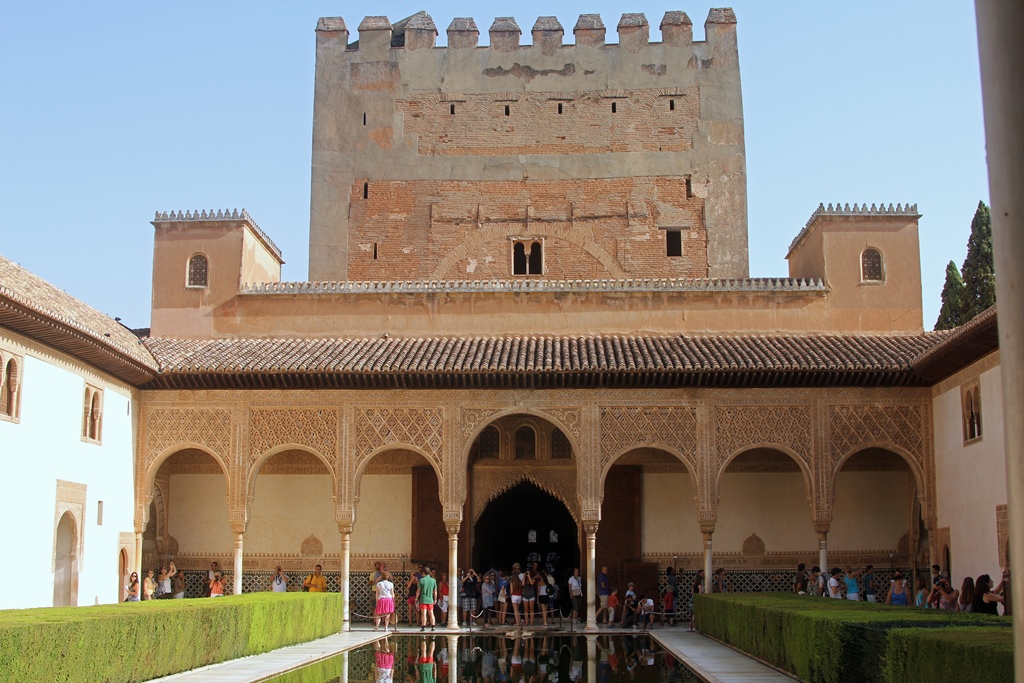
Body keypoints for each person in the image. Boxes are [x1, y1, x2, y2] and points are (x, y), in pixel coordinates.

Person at [417, 565, 437, 631]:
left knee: (424, 614)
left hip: (423, 599)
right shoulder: (433, 580)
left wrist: (416, 598)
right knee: (431, 613)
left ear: (423, 572)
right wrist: (435, 599)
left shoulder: (421, 580)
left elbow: (418, 591)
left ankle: (423, 626)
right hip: (430, 599)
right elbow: (435, 591)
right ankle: (433, 626)